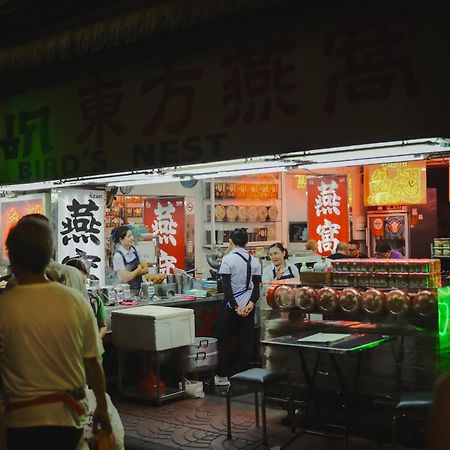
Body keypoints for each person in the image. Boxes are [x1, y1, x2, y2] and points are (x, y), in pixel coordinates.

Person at [0, 216, 111, 450]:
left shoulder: (5, 307)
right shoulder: (75, 302)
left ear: (12, 257)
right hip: (68, 419)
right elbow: (92, 362)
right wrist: (101, 406)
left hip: (20, 421)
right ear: (49, 254)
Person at [214, 228, 262, 386]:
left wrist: (235, 307)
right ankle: (245, 376)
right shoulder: (254, 261)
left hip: (231, 308)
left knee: (223, 341)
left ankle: (222, 376)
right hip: (248, 308)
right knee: (245, 342)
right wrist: (249, 305)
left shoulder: (228, 260)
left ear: (231, 241)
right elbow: (256, 288)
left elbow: (226, 288)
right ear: (247, 242)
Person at [65, 258, 107, 341]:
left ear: (86, 275)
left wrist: (97, 340)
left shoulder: (94, 300)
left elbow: (103, 326)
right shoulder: (60, 301)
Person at [112, 225, 148, 295]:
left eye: (132, 235)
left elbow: (146, 269)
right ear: (121, 240)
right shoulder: (118, 256)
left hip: (140, 289)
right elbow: (125, 278)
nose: (132, 238)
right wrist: (139, 269)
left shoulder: (136, 250)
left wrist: (130, 274)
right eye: (129, 236)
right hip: (126, 292)